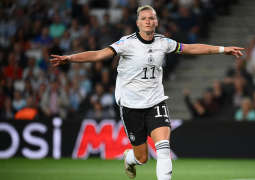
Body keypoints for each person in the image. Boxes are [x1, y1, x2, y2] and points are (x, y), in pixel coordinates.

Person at [50, 5, 244, 180]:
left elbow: (191, 48)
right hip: (131, 105)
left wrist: (222, 49)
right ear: (138, 23)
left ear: (156, 22)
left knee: (163, 148)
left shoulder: (163, 42)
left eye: (151, 18)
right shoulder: (126, 43)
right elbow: (99, 54)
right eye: (144, 18)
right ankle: (130, 158)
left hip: (155, 102)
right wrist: (70, 58)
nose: (148, 21)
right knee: (142, 158)